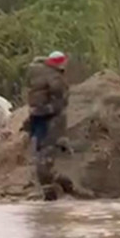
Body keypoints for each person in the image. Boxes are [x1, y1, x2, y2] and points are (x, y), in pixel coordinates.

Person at [24, 51, 69, 201]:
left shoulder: (35, 70)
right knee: (47, 150)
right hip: (48, 114)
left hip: (35, 113)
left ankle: (48, 181)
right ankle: (49, 188)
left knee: (39, 145)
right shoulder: (54, 75)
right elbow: (59, 94)